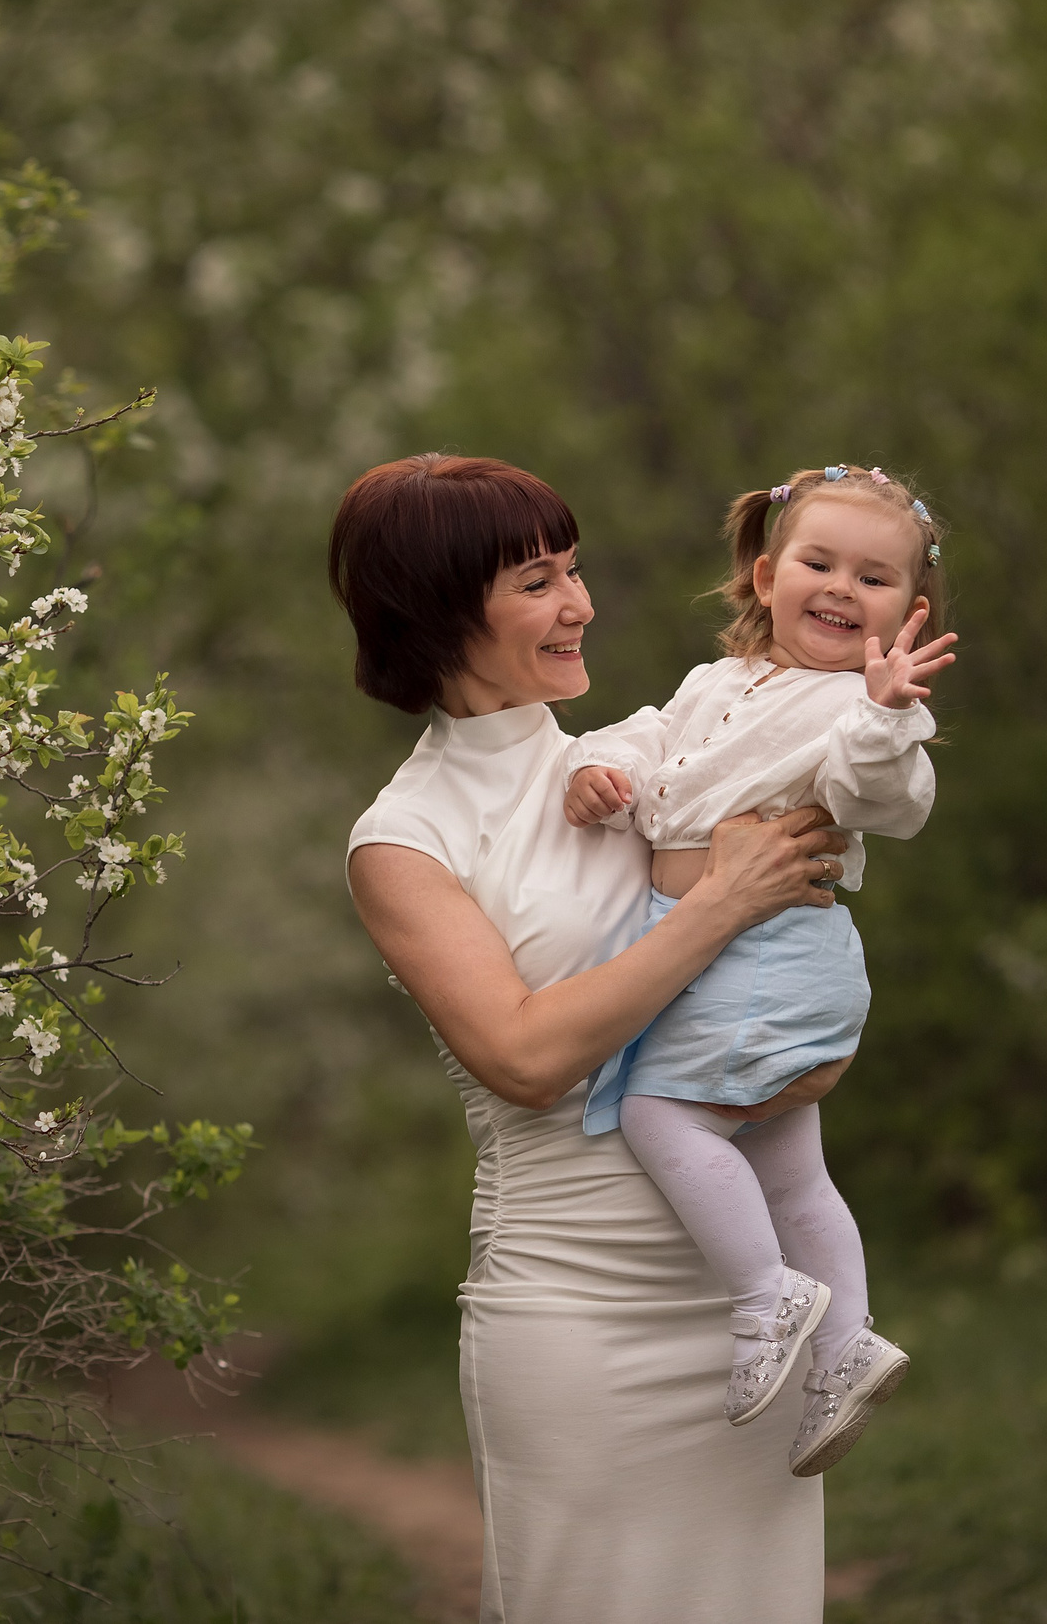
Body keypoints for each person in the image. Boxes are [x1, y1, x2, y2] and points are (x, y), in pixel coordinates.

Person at [339, 453, 852, 1623]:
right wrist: (724, 900)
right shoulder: (404, 836)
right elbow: (522, 1059)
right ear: (434, 608)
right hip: (577, 1315)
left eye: (573, 572)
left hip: (751, 1304)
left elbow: (788, 982)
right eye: (536, 582)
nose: (579, 606)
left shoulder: (658, 757)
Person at [559, 465, 957, 1480]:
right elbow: (653, 741)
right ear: (767, 574)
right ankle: (845, 1343)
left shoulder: (854, 711)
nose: (837, 587)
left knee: (660, 1117)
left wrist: (881, 714)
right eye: (818, 563)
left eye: (870, 579)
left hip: (769, 946)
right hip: (734, 951)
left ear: (907, 614)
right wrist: (596, 769)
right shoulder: (716, 684)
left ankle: (764, 1295)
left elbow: (888, 797)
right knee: (787, 1165)